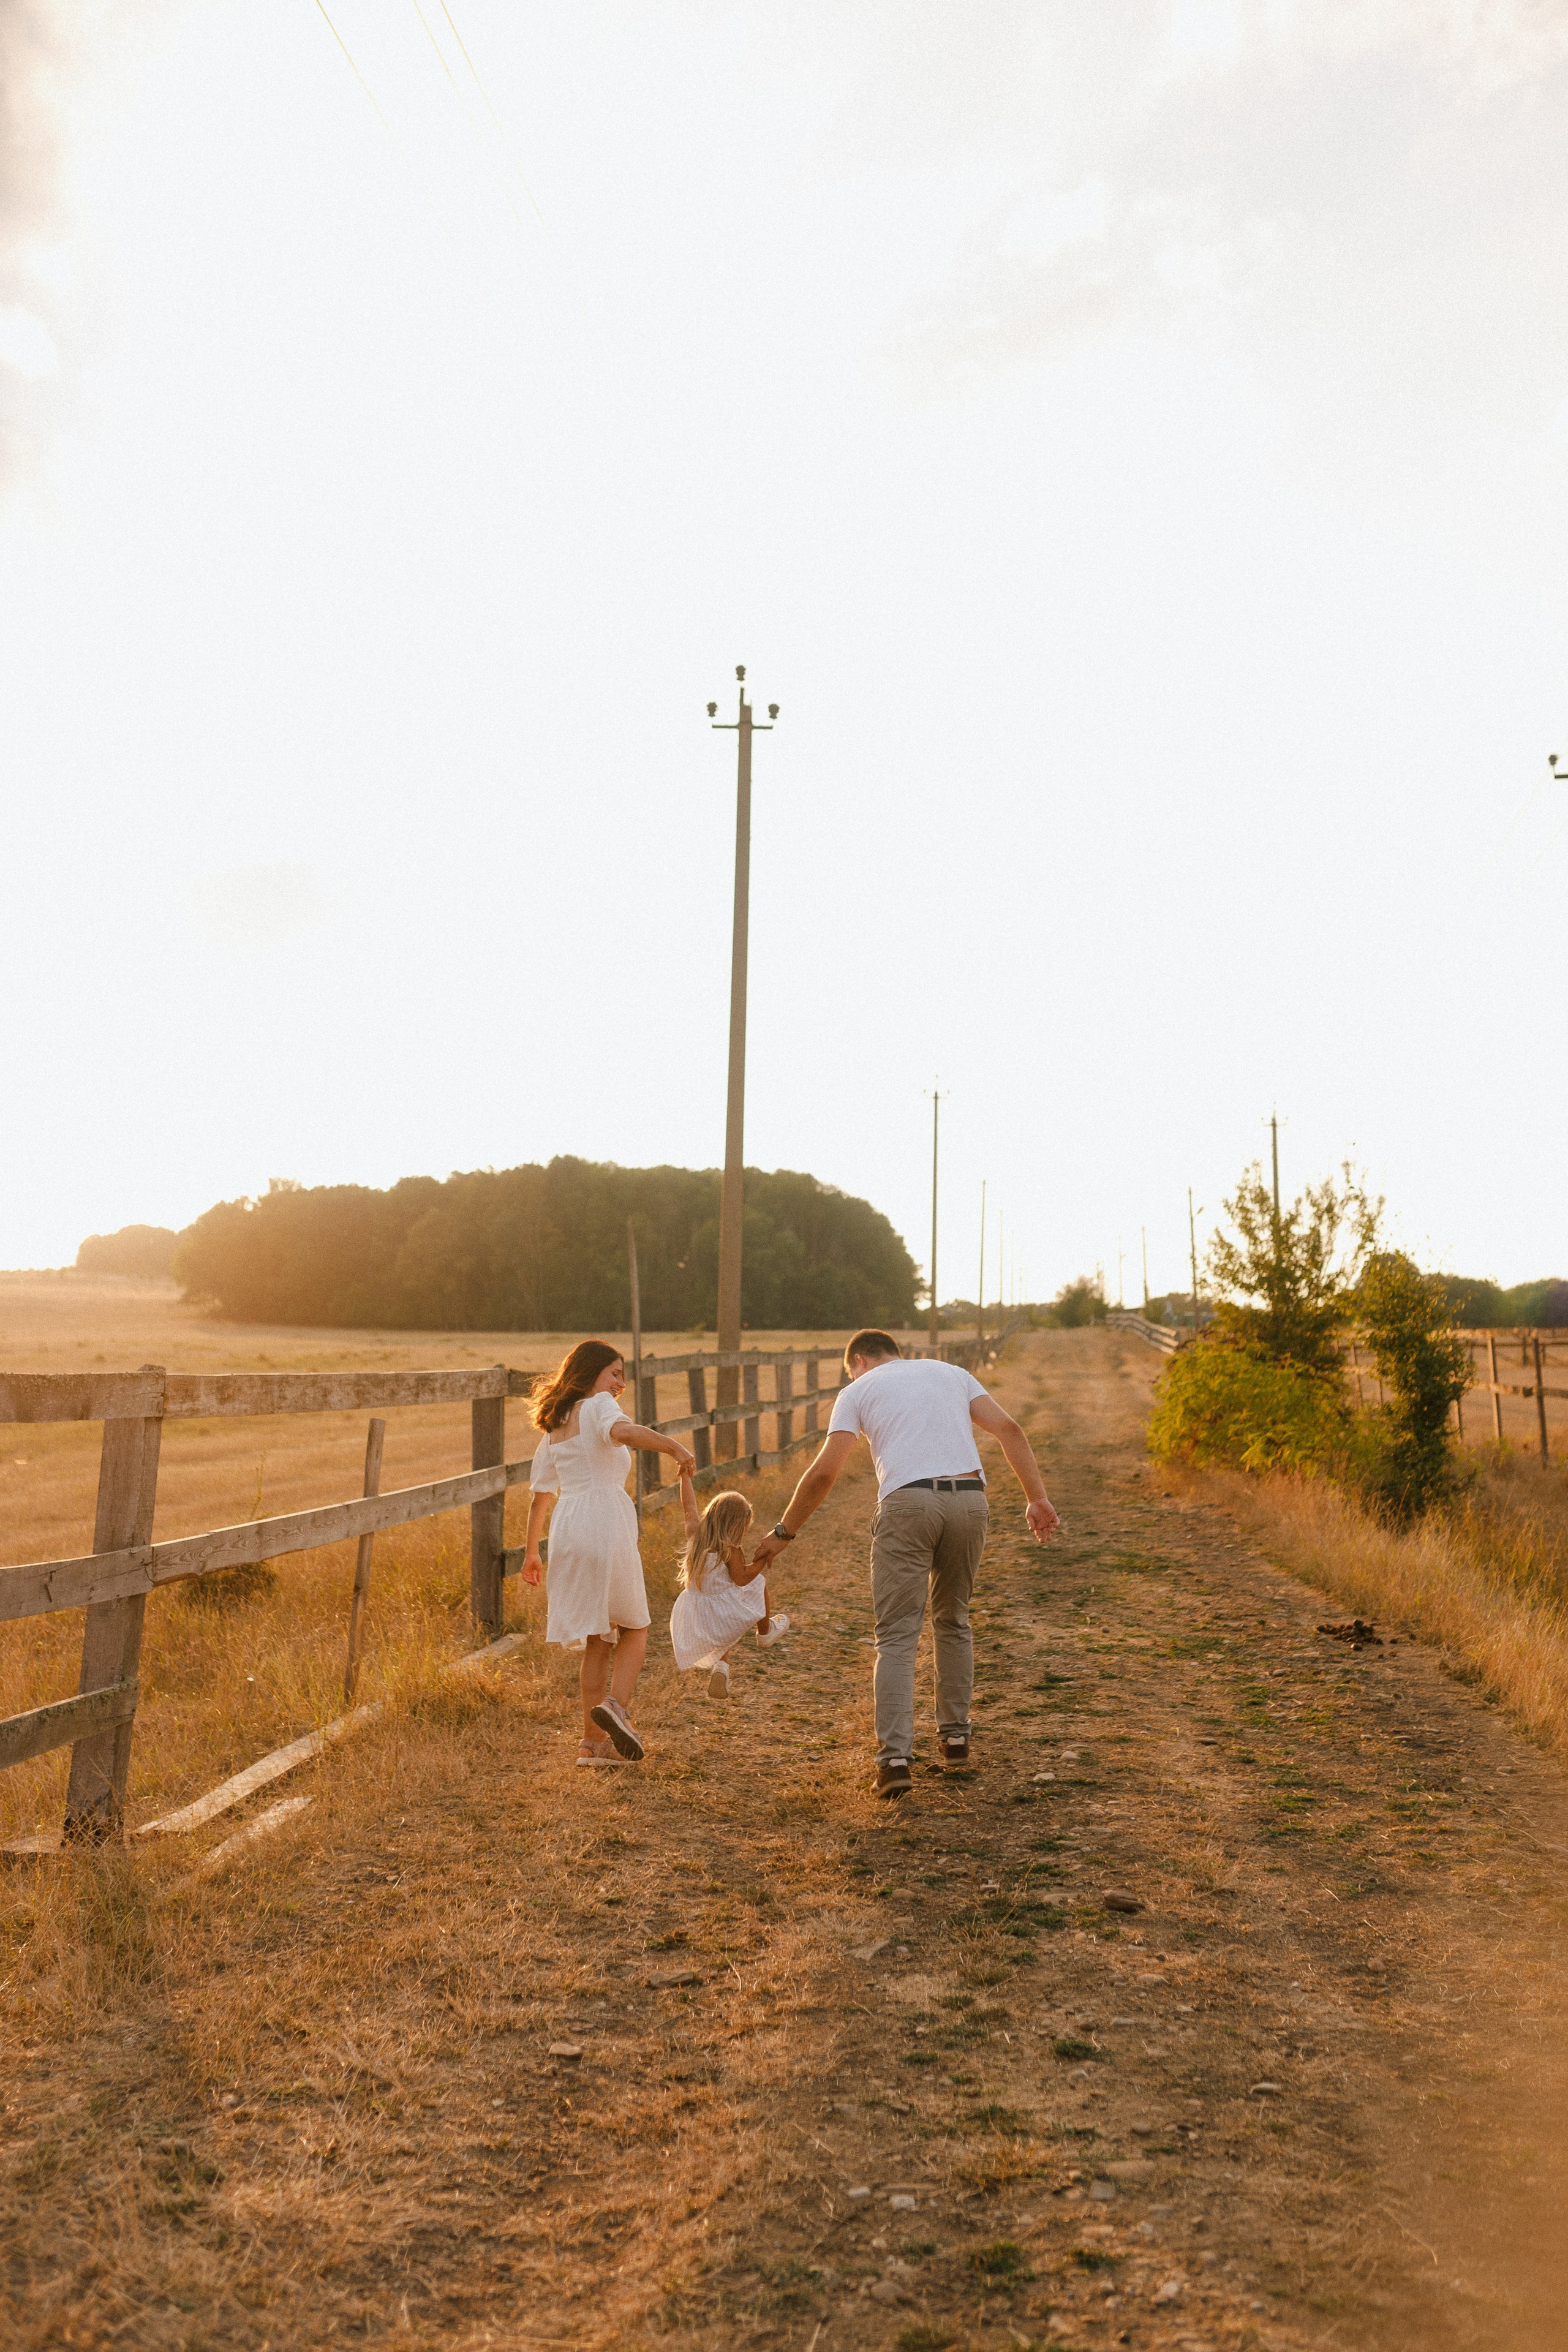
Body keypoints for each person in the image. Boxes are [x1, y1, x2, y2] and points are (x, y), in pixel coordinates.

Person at [750, 1328, 1060, 1798]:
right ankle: (955, 1737)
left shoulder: (857, 1390)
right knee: (954, 1619)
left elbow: (825, 1472)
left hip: (908, 1503)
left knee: (897, 1634)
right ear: (894, 1352)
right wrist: (1036, 1498)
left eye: (851, 1371)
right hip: (970, 1500)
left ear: (858, 1361)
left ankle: (895, 1760)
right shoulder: (953, 1374)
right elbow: (1010, 1430)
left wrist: (783, 1533)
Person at [521, 1340, 696, 1766]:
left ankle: (592, 1743)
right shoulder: (599, 1405)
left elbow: (541, 1494)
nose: (621, 1383)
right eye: (615, 1373)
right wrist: (674, 1447)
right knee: (636, 1626)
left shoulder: (557, 1422)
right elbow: (624, 1433)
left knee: (599, 1638)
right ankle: (616, 1707)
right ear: (591, 1372)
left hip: (568, 1528)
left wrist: (532, 1553)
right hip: (603, 1520)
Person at [669, 1476, 790, 1698]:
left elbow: (689, 1506)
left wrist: (685, 1477)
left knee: (721, 1630)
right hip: (721, 1611)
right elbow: (742, 1578)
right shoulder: (729, 1548)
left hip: (695, 1611)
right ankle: (765, 1632)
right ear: (735, 1526)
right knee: (758, 1583)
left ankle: (722, 1667)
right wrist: (762, 1561)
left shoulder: (695, 1536)